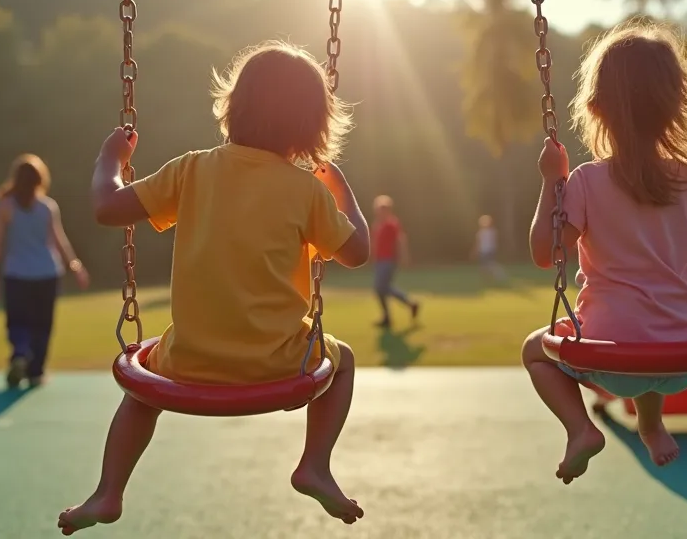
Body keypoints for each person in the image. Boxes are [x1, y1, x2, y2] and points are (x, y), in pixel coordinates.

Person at [59, 41, 371, 534]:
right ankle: (315, 464)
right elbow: (358, 252)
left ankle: (108, 491)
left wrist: (109, 160)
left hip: (188, 362)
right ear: (313, 127)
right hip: (280, 363)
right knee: (343, 359)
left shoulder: (192, 169)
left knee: (142, 390)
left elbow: (106, 208)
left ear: (232, 107)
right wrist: (343, 194)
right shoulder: (306, 190)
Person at [521, 19, 687, 484]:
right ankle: (650, 423)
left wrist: (551, 181)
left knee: (535, 351)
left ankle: (581, 428)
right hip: (683, 353)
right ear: (673, 109)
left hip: (611, 356)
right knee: (651, 327)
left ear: (596, 109)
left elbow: (546, 253)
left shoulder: (584, 181)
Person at [0, 154, 89, 390]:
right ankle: (35, 371)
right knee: (43, 324)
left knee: (17, 320)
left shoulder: (4, 206)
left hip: (16, 273)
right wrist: (76, 266)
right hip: (46, 273)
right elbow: (59, 240)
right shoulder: (47, 207)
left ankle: (20, 352)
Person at [370, 195, 419, 327]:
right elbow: (375, 242)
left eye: (382, 208)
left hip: (389, 260)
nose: (379, 211)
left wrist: (404, 256)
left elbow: (400, 240)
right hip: (380, 260)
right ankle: (408, 306)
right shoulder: (378, 224)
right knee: (383, 288)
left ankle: (392, 315)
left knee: (381, 287)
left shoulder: (392, 223)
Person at [472, 214, 506, 281]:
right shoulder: (482, 232)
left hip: (489, 250)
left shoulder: (491, 232)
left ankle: (500, 276)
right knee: (485, 266)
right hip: (483, 251)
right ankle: (487, 279)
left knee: (490, 264)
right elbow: (478, 243)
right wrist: (475, 251)